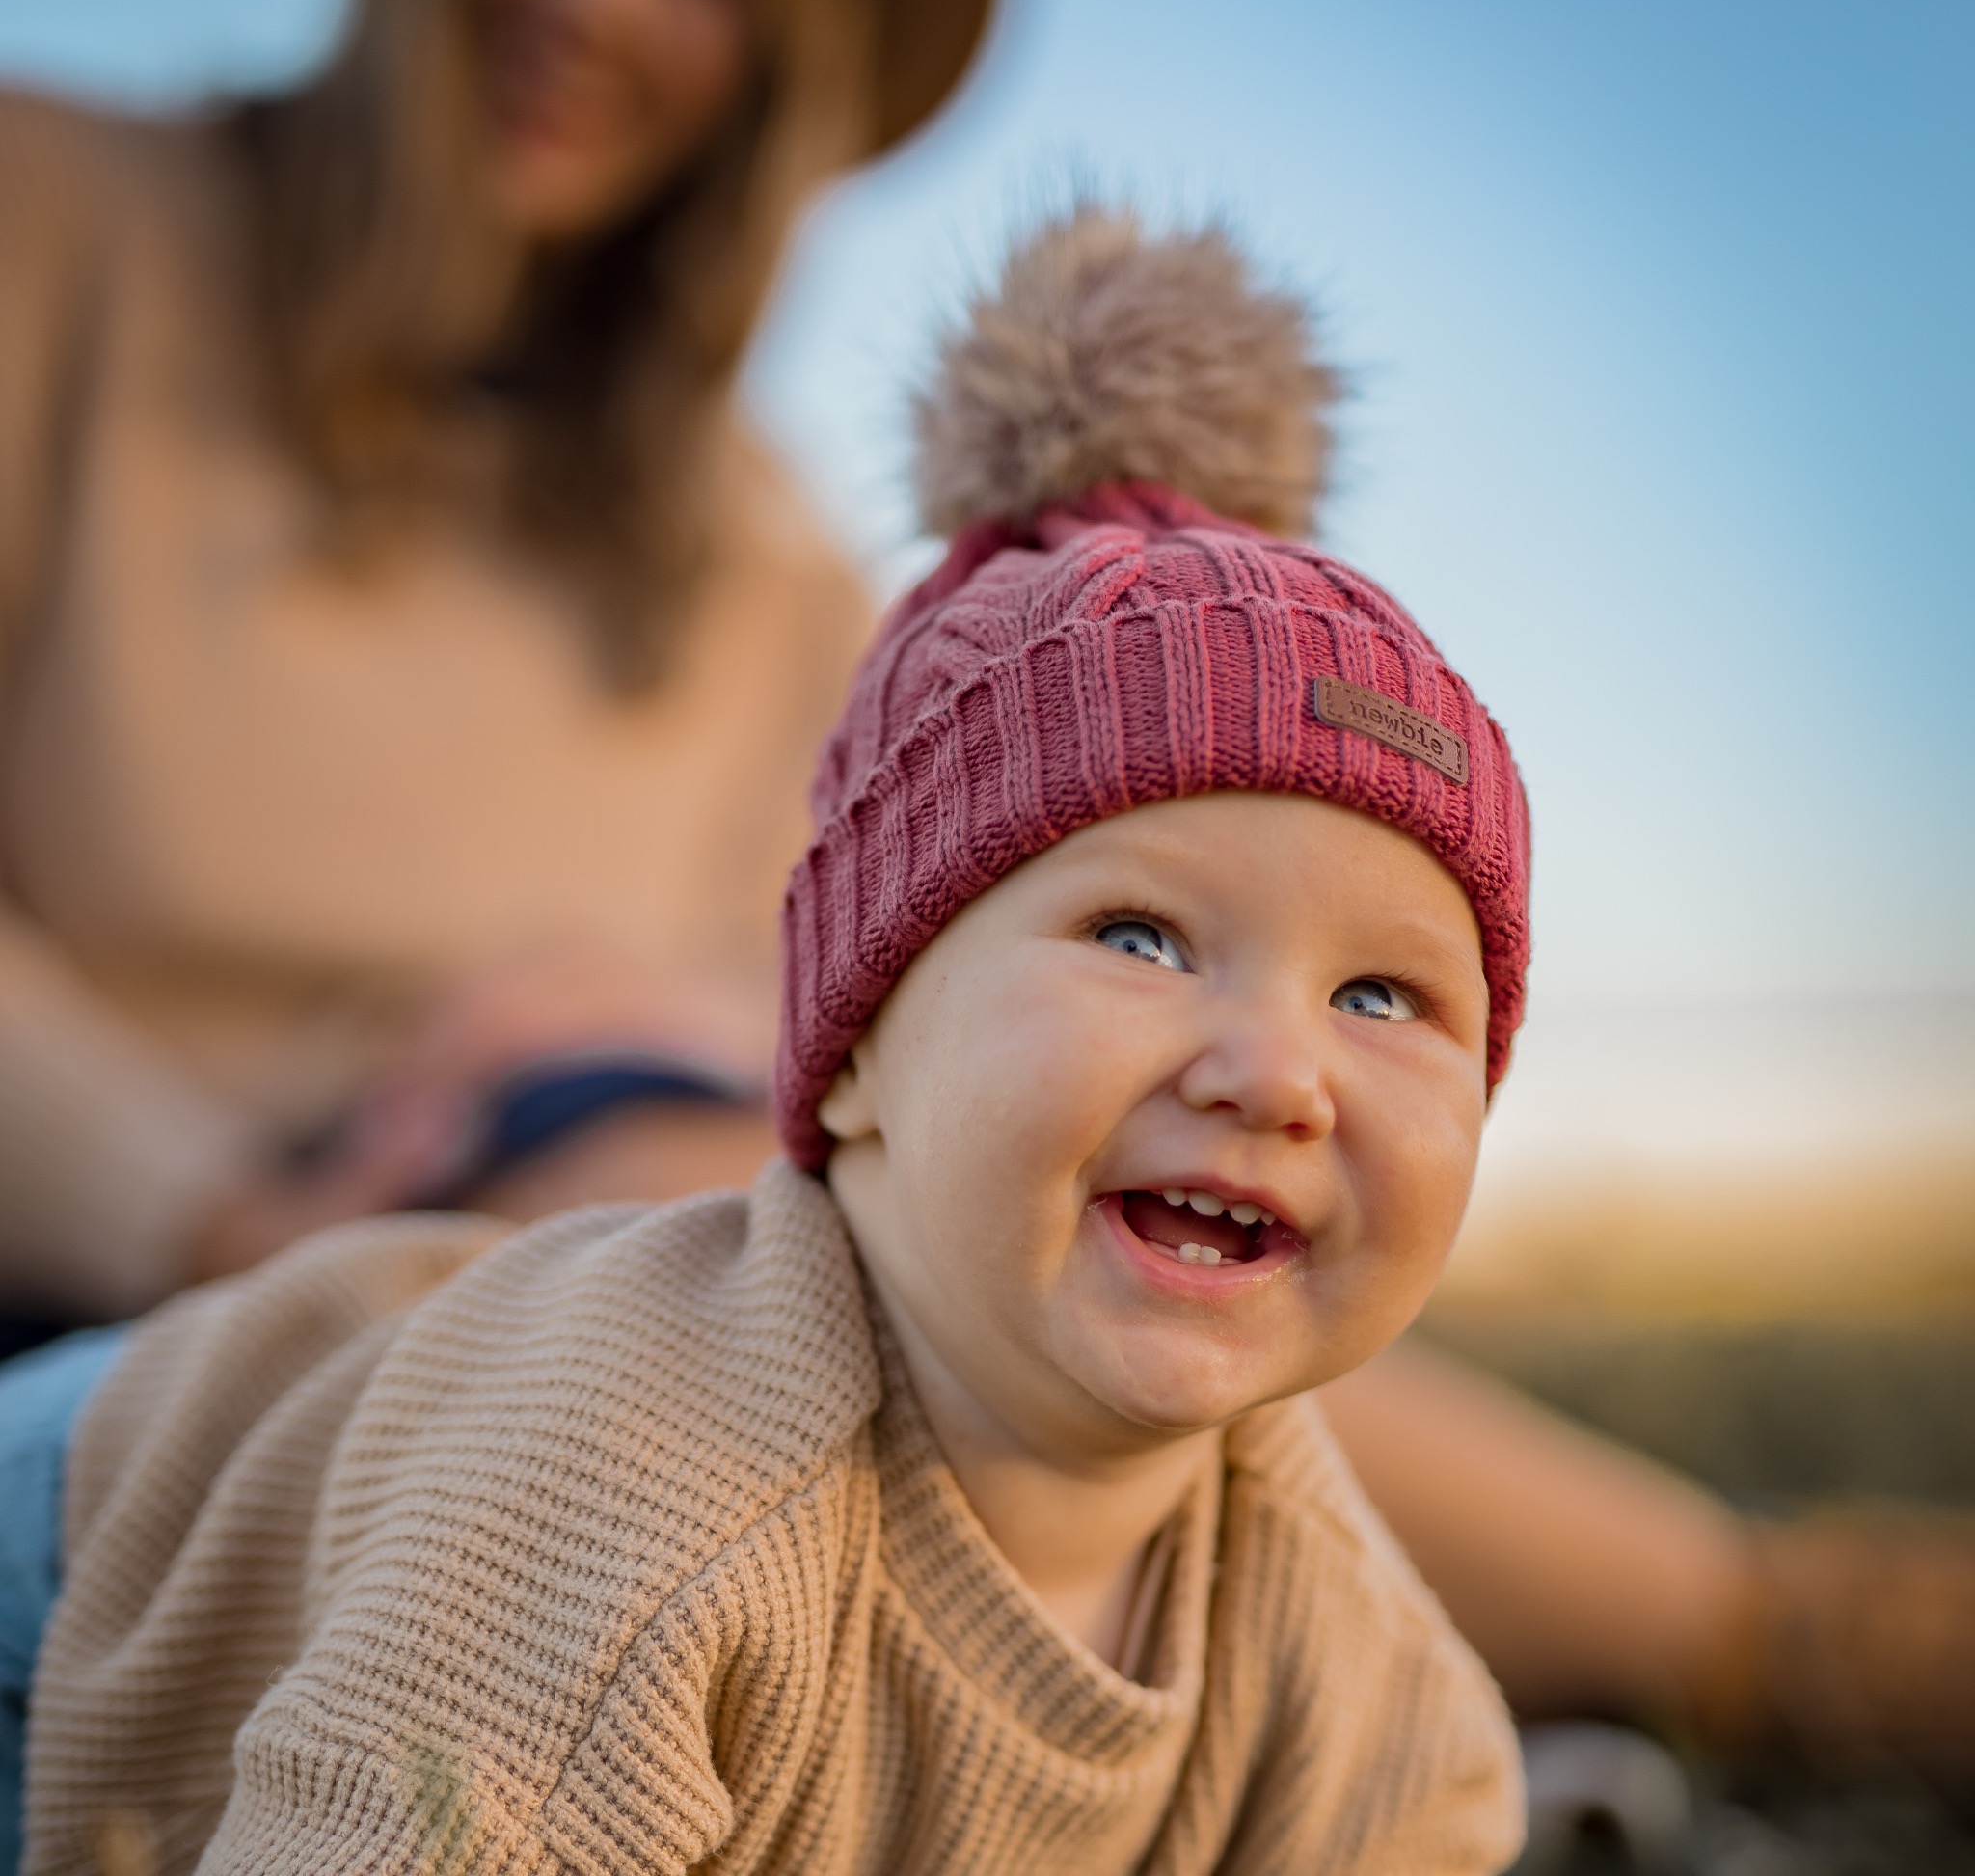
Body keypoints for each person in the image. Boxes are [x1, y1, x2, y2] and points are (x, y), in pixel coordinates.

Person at [21, 210, 1528, 1876]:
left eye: (1383, 997)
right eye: (1140, 937)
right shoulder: (639, 1493)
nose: (1277, 1071)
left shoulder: (1325, 1629)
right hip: (63, 1611)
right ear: (860, 1040)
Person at [0, 0, 993, 1329]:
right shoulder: (56, 218)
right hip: (103, 1307)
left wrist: (681, 1019)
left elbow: (834, 1033)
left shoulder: (784, 576)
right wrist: (216, 1219)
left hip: (571, 1243)